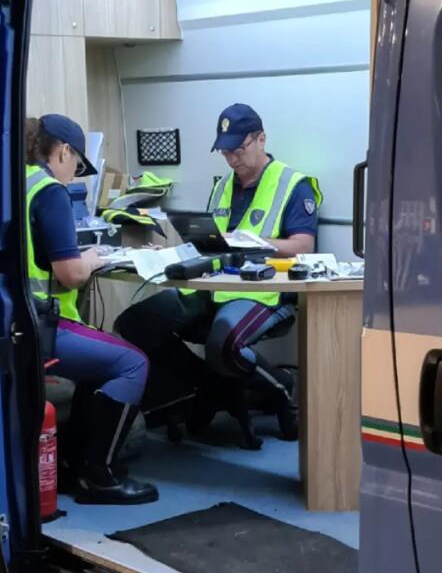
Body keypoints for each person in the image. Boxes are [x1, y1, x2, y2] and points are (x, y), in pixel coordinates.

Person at [115, 103, 323, 443]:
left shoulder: (292, 184)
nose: (231, 159)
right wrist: (169, 253)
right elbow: (209, 241)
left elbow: (303, 246)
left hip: (261, 292)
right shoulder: (223, 186)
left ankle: (282, 388)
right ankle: (208, 385)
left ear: (260, 139)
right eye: (225, 152)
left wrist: (253, 242)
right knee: (135, 324)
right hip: (211, 287)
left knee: (224, 344)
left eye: (238, 150)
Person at [23, 114, 158, 505]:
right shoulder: (50, 191)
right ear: (64, 151)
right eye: (78, 166)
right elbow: (70, 274)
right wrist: (93, 258)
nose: (75, 176)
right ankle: (100, 475)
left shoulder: (20, 182)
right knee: (133, 363)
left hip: (20, 319)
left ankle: (73, 464)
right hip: (45, 325)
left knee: (99, 364)